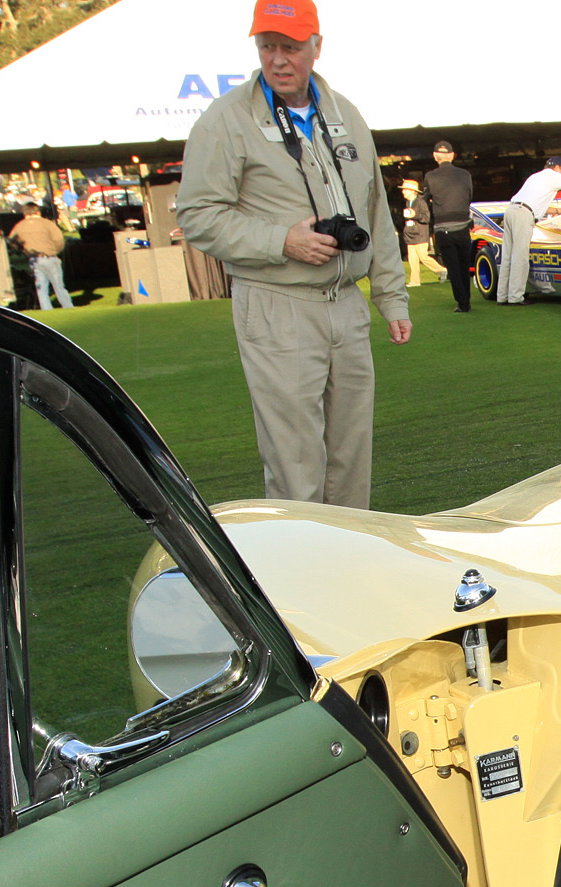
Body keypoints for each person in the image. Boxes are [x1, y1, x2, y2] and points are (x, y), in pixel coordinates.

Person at [177, 0, 411, 509]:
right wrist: (280, 240)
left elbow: (375, 212)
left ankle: (347, 568)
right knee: (296, 462)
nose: (278, 59)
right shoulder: (226, 120)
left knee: (352, 457)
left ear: (316, 47)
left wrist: (391, 297)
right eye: (267, 47)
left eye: (290, 47)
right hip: (276, 302)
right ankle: (297, 577)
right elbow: (196, 215)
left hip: (346, 303)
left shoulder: (344, 113)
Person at [499, 155, 561, 304]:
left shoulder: (535, 176)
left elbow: (541, 206)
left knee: (508, 256)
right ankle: (515, 297)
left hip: (511, 210)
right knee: (520, 257)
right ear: (557, 167)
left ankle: (502, 296)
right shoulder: (555, 176)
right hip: (523, 214)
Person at [419, 140, 474, 313]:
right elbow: (469, 195)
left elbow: (424, 198)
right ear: (452, 155)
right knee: (464, 265)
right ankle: (467, 299)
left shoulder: (431, 176)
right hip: (463, 226)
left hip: (443, 228)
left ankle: (462, 302)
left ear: (435, 156)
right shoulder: (465, 174)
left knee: (453, 267)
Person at [7, 204, 73, 310]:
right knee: (58, 286)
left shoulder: (19, 226)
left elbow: (12, 241)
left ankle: (46, 308)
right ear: (38, 212)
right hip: (49, 257)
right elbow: (59, 240)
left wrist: (23, 250)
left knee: (41, 287)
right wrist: (55, 251)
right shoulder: (47, 223)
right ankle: (68, 307)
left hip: (33, 259)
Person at [399, 178, 444, 288]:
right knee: (412, 259)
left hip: (420, 235)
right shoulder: (408, 202)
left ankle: (442, 270)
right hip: (410, 235)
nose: (403, 191)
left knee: (423, 257)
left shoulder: (421, 202)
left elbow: (426, 218)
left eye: (405, 189)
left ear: (412, 191)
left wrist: (414, 215)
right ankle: (415, 281)